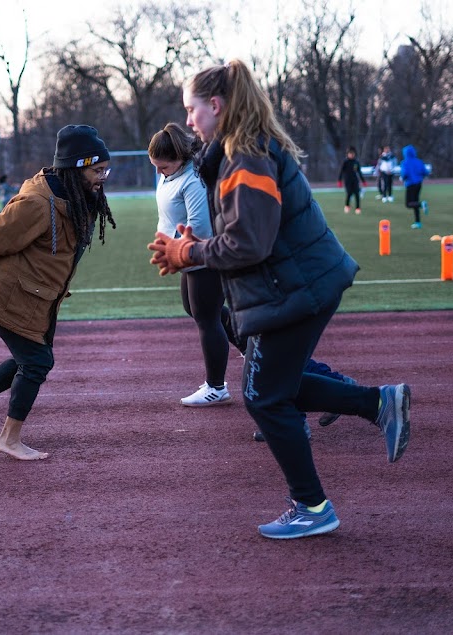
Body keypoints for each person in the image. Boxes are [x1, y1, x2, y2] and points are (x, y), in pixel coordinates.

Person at [149, 60, 411, 540]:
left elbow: (251, 244)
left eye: (191, 109)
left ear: (215, 105)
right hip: (299, 283)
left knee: (263, 397)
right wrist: (198, 242)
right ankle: (378, 403)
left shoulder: (246, 157)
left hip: (297, 287)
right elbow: (248, 232)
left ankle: (313, 506)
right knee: (274, 388)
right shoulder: (239, 152)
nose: (188, 121)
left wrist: (190, 252)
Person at [0, 125, 116, 461]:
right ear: (76, 168)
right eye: (97, 170)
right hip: (5, 294)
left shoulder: (77, 198)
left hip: (36, 296)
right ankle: (8, 438)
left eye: (105, 170)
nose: (102, 178)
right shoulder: (37, 203)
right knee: (37, 362)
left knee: (33, 359)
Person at [148, 122, 232, 407]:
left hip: (201, 255)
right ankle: (249, 343)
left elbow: (199, 227)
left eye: (163, 167)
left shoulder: (193, 179)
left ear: (179, 158)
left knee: (207, 319)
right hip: (184, 255)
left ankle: (216, 387)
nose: (159, 172)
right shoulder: (172, 174)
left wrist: (175, 249)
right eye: (156, 167)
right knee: (196, 310)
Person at [400, 145, 429, 228]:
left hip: (410, 184)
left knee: (408, 204)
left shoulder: (405, 162)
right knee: (415, 201)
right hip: (419, 184)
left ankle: (421, 204)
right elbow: (425, 172)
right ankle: (418, 222)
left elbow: (405, 174)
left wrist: (403, 178)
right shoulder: (419, 161)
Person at [337, 146, 368, 214]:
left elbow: (359, 172)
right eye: (350, 154)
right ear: (348, 154)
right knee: (349, 194)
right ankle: (347, 206)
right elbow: (341, 171)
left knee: (357, 194)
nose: (351, 155)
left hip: (355, 180)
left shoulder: (356, 162)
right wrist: (339, 181)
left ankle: (358, 208)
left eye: (352, 153)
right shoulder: (345, 162)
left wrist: (363, 181)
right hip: (347, 181)